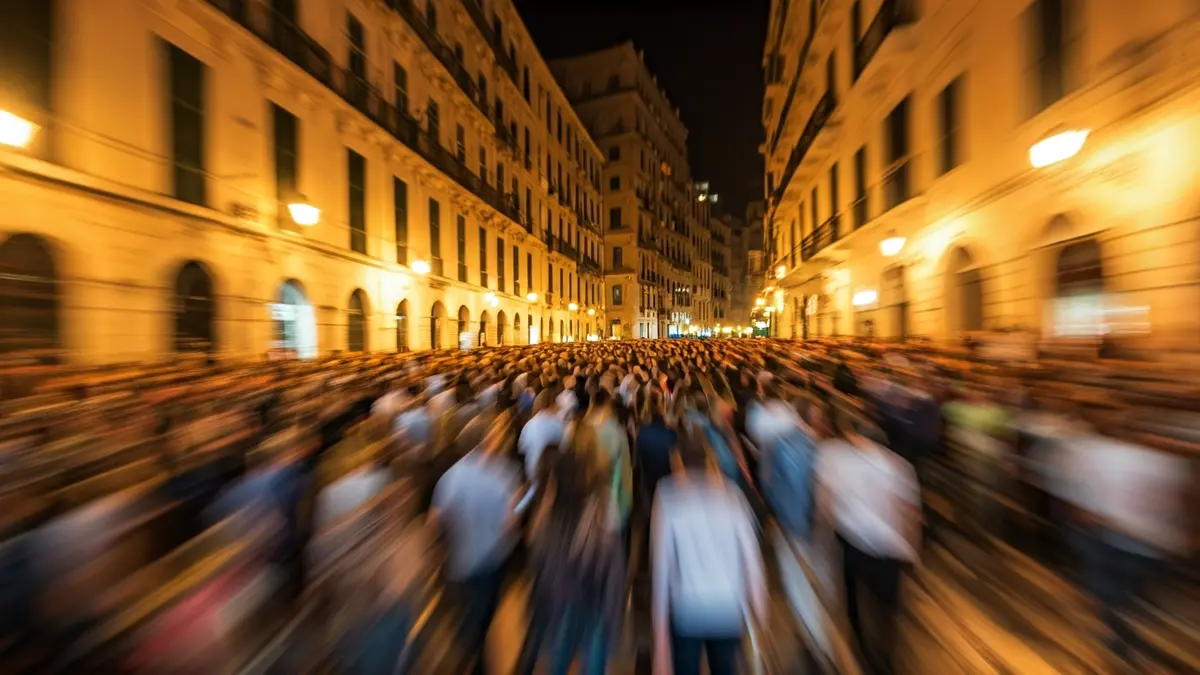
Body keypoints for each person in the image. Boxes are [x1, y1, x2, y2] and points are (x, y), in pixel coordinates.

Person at [818, 406, 920, 675]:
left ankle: (859, 642)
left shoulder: (835, 457)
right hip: (889, 547)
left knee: (853, 593)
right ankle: (885, 655)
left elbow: (826, 502)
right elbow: (909, 513)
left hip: (852, 540)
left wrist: (825, 533)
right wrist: (913, 550)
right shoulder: (899, 468)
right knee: (886, 606)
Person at [652, 440, 766, 675]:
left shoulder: (667, 494)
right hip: (727, 607)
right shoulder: (732, 494)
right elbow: (752, 560)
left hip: (687, 608)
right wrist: (759, 615)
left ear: (678, 462)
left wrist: (660, 640)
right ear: (709, 462)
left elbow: (662, 567)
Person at [517, 435, 625, 675]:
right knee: (593, 659)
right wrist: (614, 612)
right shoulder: (601, 507)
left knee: (559, 656)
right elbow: (614, 564)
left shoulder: (548, 518)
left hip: (560, 602)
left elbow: (537, 566)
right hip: (595, 599)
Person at [429, 413, 521, 675]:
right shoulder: (505, 474)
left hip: (461, 560)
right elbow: (511, 522)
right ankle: (477, 658)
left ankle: (472, 655)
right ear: (488, 443)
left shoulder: (450, 477)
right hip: (493, 558)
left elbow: (435, 522)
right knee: (484, 617)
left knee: (468, 618)